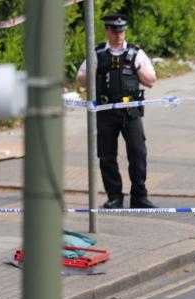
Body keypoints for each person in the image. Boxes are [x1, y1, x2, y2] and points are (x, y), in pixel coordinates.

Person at [77, 13, 157, 209]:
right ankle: (114, 196)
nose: (118, 34)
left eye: (121, 30)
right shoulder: (97, 53)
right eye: (114, 30)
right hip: (106, 111)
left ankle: (139, 196)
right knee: (106, 155)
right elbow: (80, 79)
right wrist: (93, 69)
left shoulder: (136, 53)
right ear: (107, 30)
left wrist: (137, 67)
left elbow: (151, 81)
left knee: (138, 154)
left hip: (131, 112)